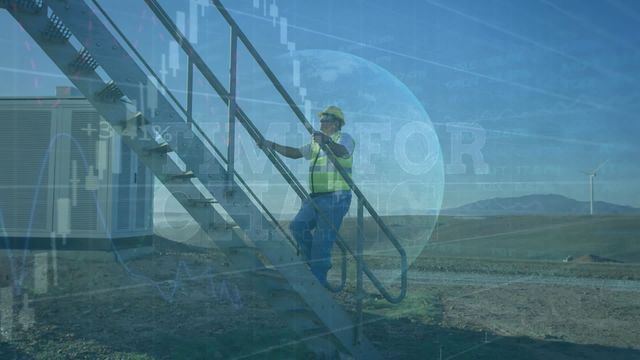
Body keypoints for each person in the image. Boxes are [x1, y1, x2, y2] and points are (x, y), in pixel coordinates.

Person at [257, 106, 355, 286]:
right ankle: (316, 265)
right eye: (321, 120)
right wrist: (271, 145)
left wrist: (327, 142)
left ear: (336, 123)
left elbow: (343, 151)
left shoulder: (344, 139)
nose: (321, 123)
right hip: (316, 197)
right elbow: (295, 153)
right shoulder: (316, 143)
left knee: (322, 239)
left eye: (325, 119)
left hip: (337, 197)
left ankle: (317, 281)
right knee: (298, 226)